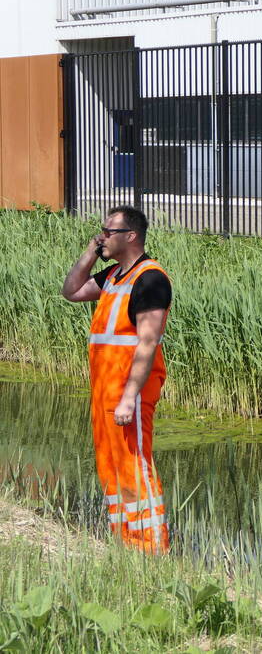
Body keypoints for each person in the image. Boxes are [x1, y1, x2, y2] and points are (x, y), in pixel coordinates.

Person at [61, 206, 171, 554]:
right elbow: (72, 290)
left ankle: (151, 550)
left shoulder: (150, 279)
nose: (103, 236)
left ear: (131, 236)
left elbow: (148, 342)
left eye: (108, 231)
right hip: (104, 389)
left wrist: (128, 398)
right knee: (110, 464)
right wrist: (92, 252)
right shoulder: (113, 276)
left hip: (129, 393)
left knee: (133, 463)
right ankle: (125, 545)